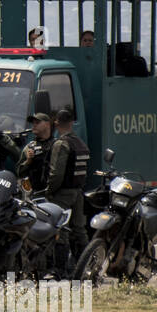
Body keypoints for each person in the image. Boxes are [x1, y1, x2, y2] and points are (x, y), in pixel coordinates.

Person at [45, 108, 89, 277]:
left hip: (62, 194)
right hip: (77, 192)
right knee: (79, 231)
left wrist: (49, 191)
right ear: (71, 123)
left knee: (60, 230)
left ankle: (60, 270)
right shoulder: (80, 143)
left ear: (56, 124)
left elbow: (56, 173)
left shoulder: (61, 144)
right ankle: (85, 265)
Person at [16, 113, 54, 193]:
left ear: (47, 124)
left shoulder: (57, 144)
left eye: (37, 123)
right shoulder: (29, 147)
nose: (34, 125)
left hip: (52, 193)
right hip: (35, 194)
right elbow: (19, 173)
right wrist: (28, 161)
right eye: (33, 123)